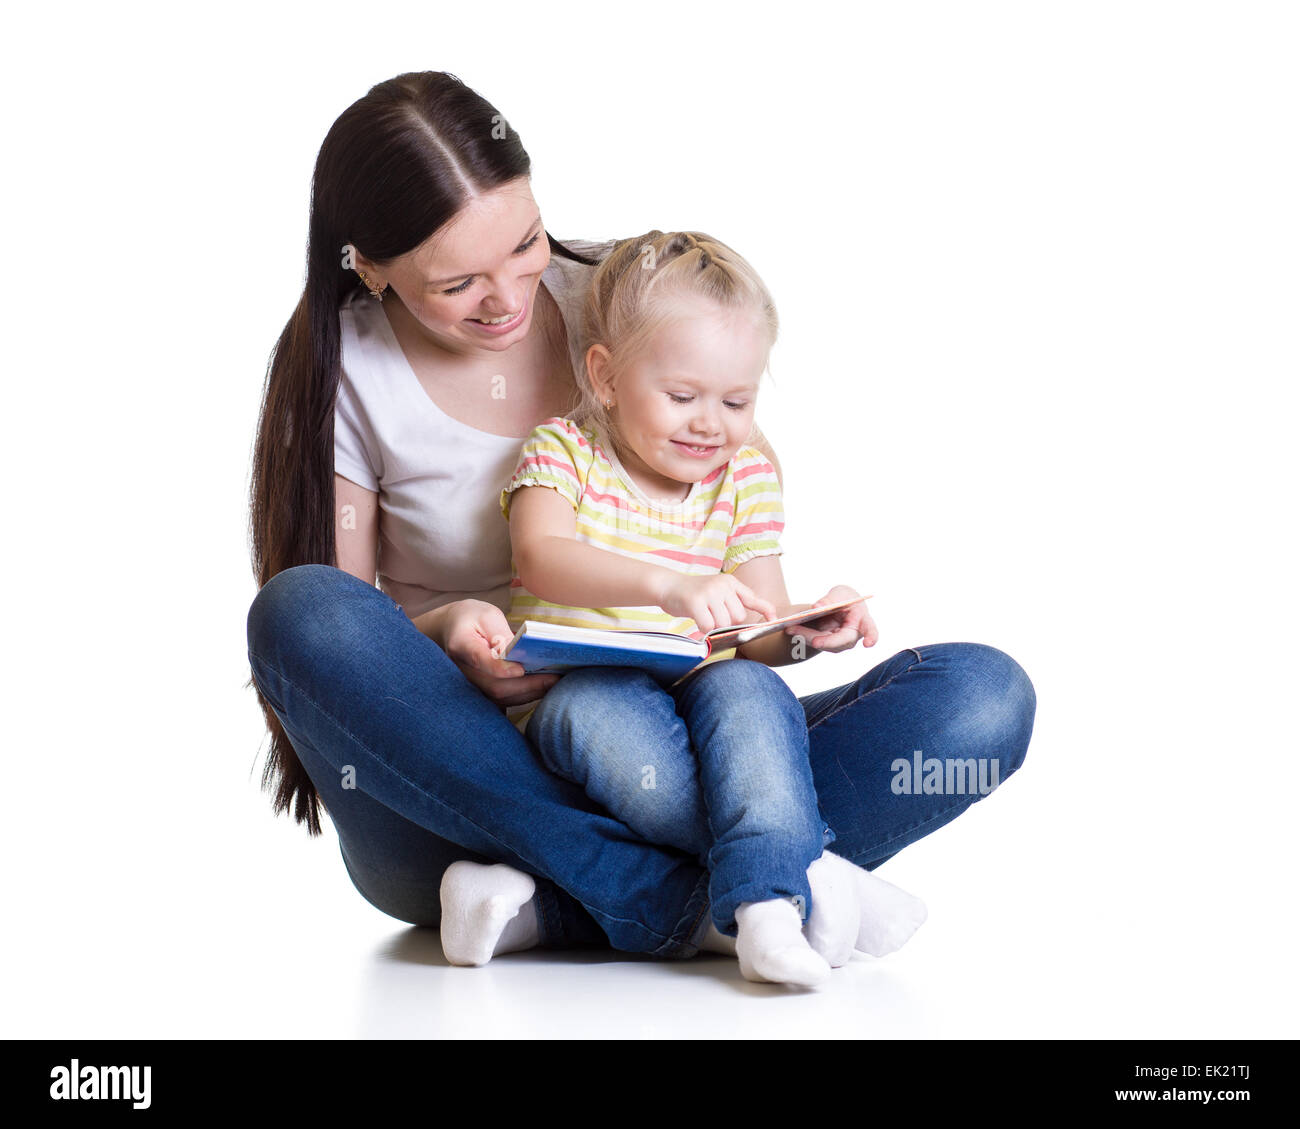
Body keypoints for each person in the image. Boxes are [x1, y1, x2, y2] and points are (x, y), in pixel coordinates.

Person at [245, 71, 1037, 974]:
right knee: (298, 609)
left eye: (527, 242)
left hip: (683, 731)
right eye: (460, 282)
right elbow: (349, 634)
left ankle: (568, 902)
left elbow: (738, 493)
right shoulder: (346, 365)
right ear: (371, 266)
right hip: (465, 787)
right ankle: (756, 885)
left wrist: (795, 632)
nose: (507, 296)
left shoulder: (628, 294)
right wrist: (444, 630)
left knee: (983, 695)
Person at [474, 228, 928, 987]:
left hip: (704, 686)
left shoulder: (744, 477)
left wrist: (805, 630)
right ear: (607, 377)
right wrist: (671, 585)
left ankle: (764, 913)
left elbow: (756, 635)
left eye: (736, 400)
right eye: (682, 396)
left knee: (752, 693)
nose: (709, 423)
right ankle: (805, 878)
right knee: (603, 720)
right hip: (581, 685)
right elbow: (541, 555)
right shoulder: (564, 450)